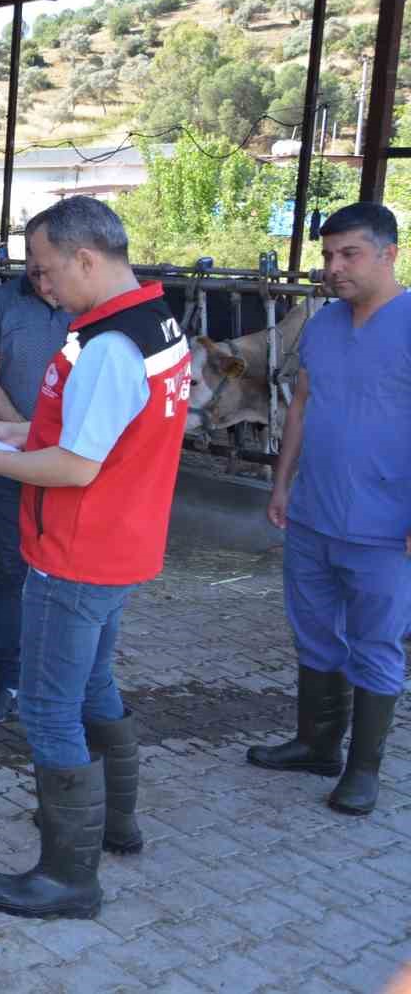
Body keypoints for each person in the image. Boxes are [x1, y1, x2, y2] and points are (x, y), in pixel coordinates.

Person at [0, 196, 192, 920]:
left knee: (50, 707)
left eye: (47, 270)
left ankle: (67, 877)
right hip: (124, 542)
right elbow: (103, 431)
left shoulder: (114, 345)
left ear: (87, 260)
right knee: (93, 689)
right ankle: (113, 825)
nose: (42, 285)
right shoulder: (155, 323)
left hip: (77, 549)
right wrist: (15, 429)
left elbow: (80, 466)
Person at [249, 202, 409, 817]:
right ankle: (317, 744)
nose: (333, 268)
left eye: (349, 254)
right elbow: (300, 407)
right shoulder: (322, 323)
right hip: (315, 513)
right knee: (315, 632)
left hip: (386, 527)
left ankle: (363, 768)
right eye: (327, 255)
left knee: (376, 642)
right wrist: (282, 484)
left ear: (389, 253)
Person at [0, 274, 73, 725]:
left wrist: (46, 443)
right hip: (8, 463)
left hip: (72, 464)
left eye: (49, 263)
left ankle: (66, 685)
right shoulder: (0, 302)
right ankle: (7, 680)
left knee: (70, 575)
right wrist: (27, 437)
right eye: (32, 259)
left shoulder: (92, 306)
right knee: (9, 572)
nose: (41, 273)